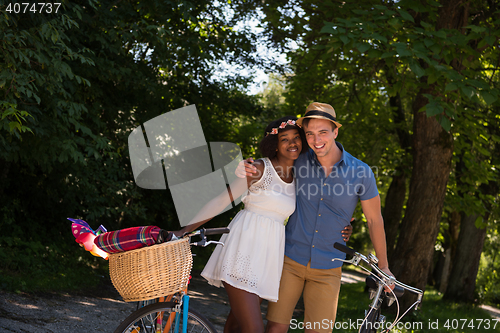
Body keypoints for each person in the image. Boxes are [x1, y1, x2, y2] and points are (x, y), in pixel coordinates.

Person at [174, 115, 352, 333]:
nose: (292, 143)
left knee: (236, 325)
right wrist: (185, 230)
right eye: (284, 139)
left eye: (296, 137)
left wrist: (343, 226)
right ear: (274, 145)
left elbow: (318, 209)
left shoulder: (300, 177)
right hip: (243, 250)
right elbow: (222, 200)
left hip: (268, 260)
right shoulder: (258, 168)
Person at [241, 102, 393, 333]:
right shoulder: (298, 160)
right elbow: (269, 168)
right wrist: (248, 167)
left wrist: (384, 267)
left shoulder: (361, 172)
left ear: (335, 131)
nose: (316, 139)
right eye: (310, 133)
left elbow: (374, 220)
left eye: (323, 132)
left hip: (328, 267)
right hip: (289, 260)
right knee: (275, 328)